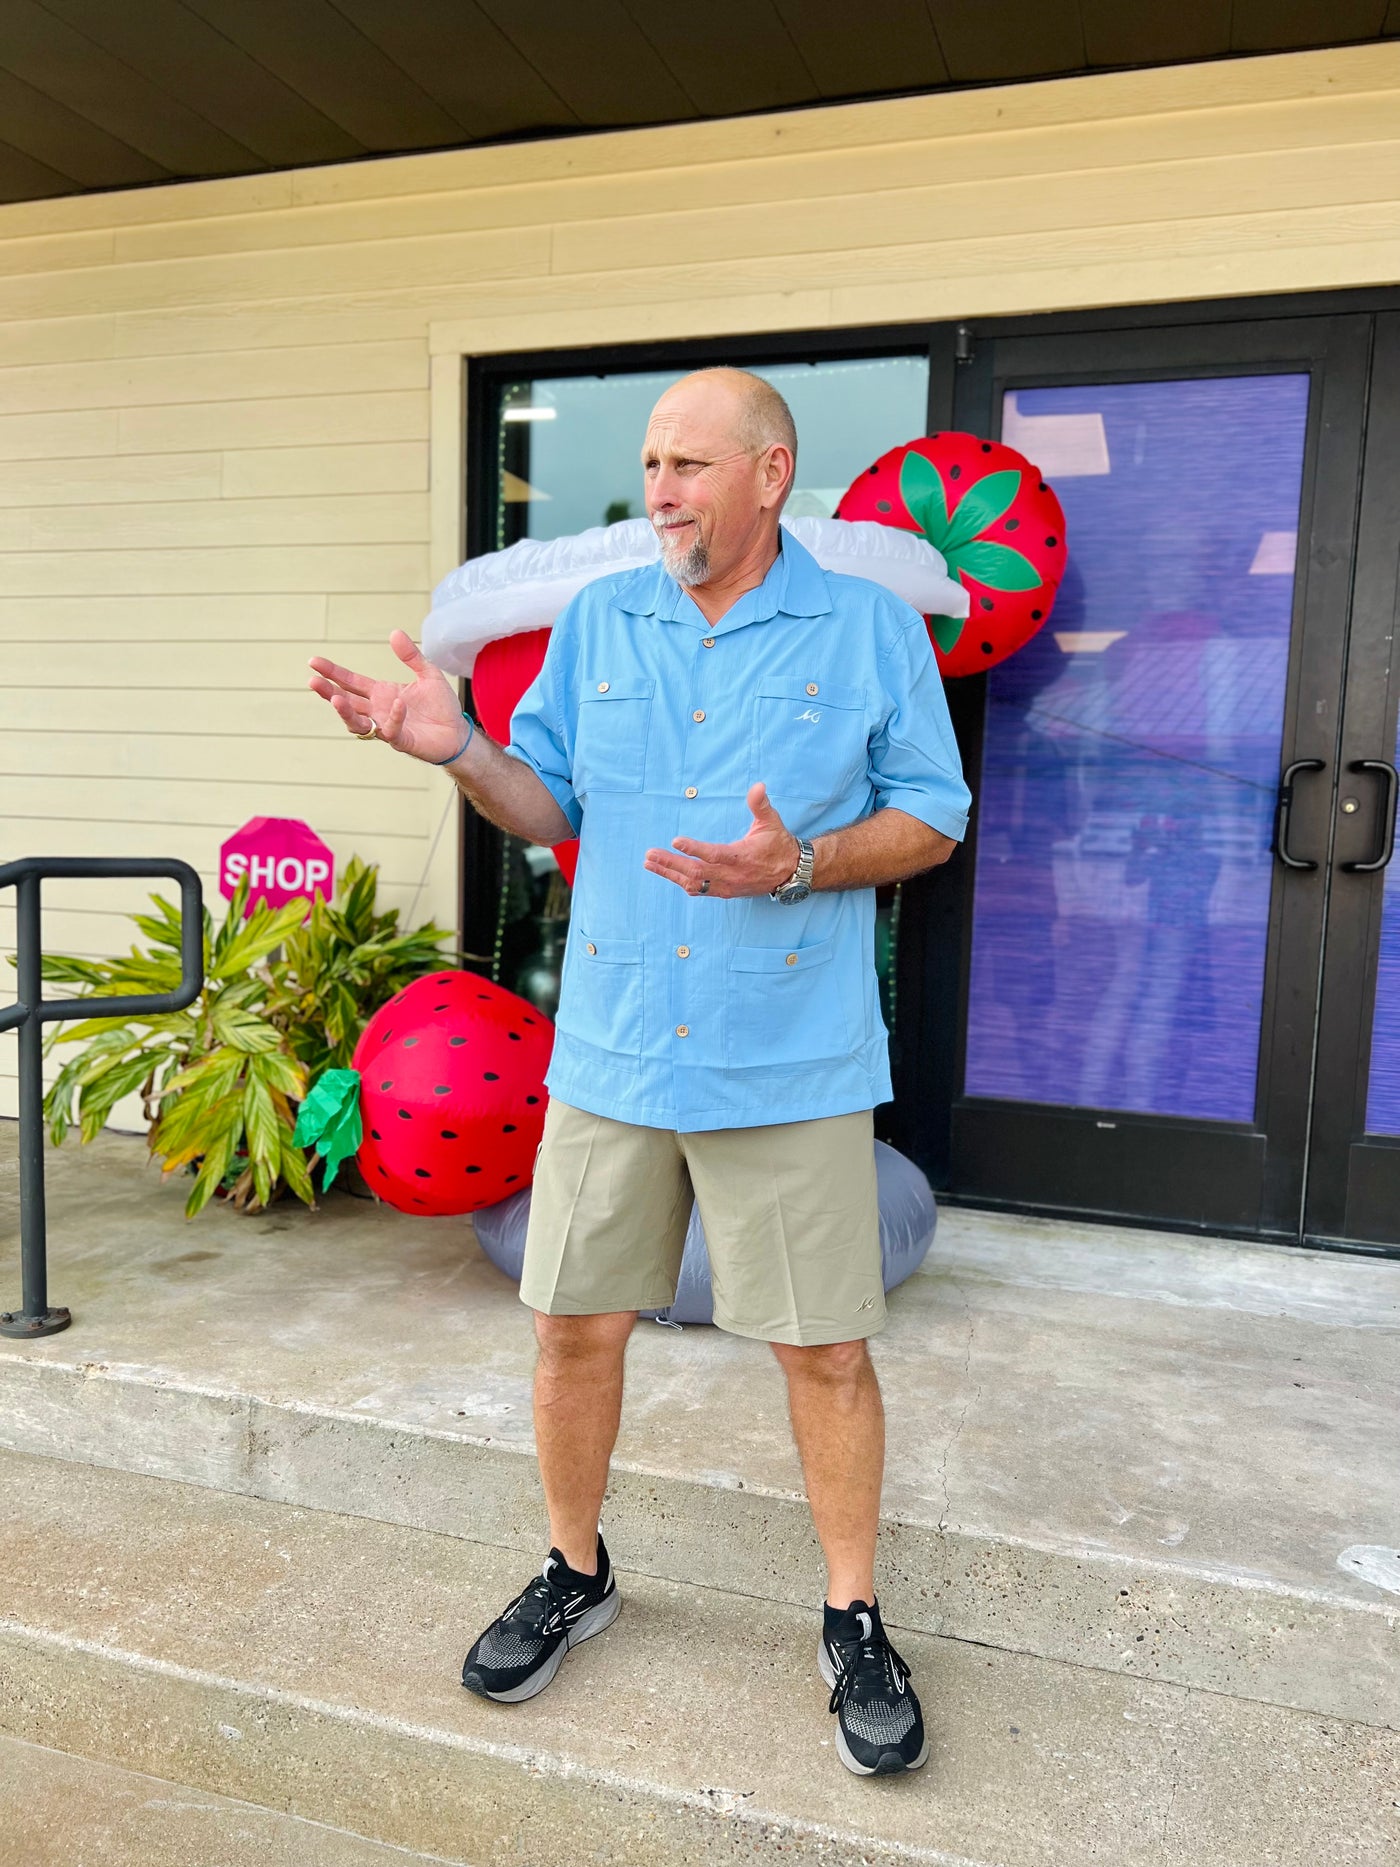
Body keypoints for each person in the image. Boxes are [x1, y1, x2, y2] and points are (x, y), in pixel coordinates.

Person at [308, 368, 971, 1778]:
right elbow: (543, 802)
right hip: (613, 1054)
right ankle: (572, 1569)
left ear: (771, 474)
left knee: (827, 1352)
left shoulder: (866, 628)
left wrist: (799, 862)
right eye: (652, 464)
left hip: (788, 1057)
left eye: (686, 464)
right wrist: (461, 751)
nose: (657, 489)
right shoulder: (602, 621)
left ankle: (852, 1613)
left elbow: (933, 815)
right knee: (570, 1333)